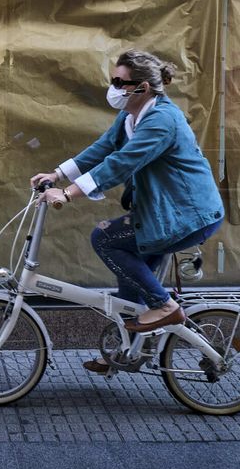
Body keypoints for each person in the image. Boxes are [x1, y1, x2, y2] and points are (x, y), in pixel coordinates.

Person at [29, 49, 224, 374]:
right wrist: (58, 174)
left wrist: (68, 193)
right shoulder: (133, 113)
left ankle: (164, 307)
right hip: (162, 211)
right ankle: (128, 350)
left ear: (143, 87)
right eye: (113, 80)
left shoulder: (162, 121)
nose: (114, 87)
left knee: (105, 239)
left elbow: (121, 163)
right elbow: (105, 146)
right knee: (130, 286)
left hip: (186, 216)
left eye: (120, 82)